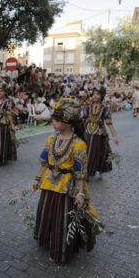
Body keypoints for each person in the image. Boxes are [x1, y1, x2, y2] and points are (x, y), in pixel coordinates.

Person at [32, 99, 102, 263]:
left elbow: (81, 172)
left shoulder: (79, 144)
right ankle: (47, 240)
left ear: (68, 123)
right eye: (54, 119)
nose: (53, 122)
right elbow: (45, 162)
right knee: (46, 213)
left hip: (67, 187)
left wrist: (80, 193)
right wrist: (37, 178)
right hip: (50, 183)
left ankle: (60, 249)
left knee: (63, 219)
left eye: (57, 120)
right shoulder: (51, 139)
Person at [83, 88, 120, 178]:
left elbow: (109, 123)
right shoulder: (87, 107)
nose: (95, 96)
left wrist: (115, 136)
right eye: (94, 94)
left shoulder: (105, 109)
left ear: (102, 96)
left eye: (98, 94)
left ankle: (98, 169)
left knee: (98, 153)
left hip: (99, 133)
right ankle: (86, 172)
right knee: (87, 152)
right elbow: (83, 120)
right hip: (88, 133)